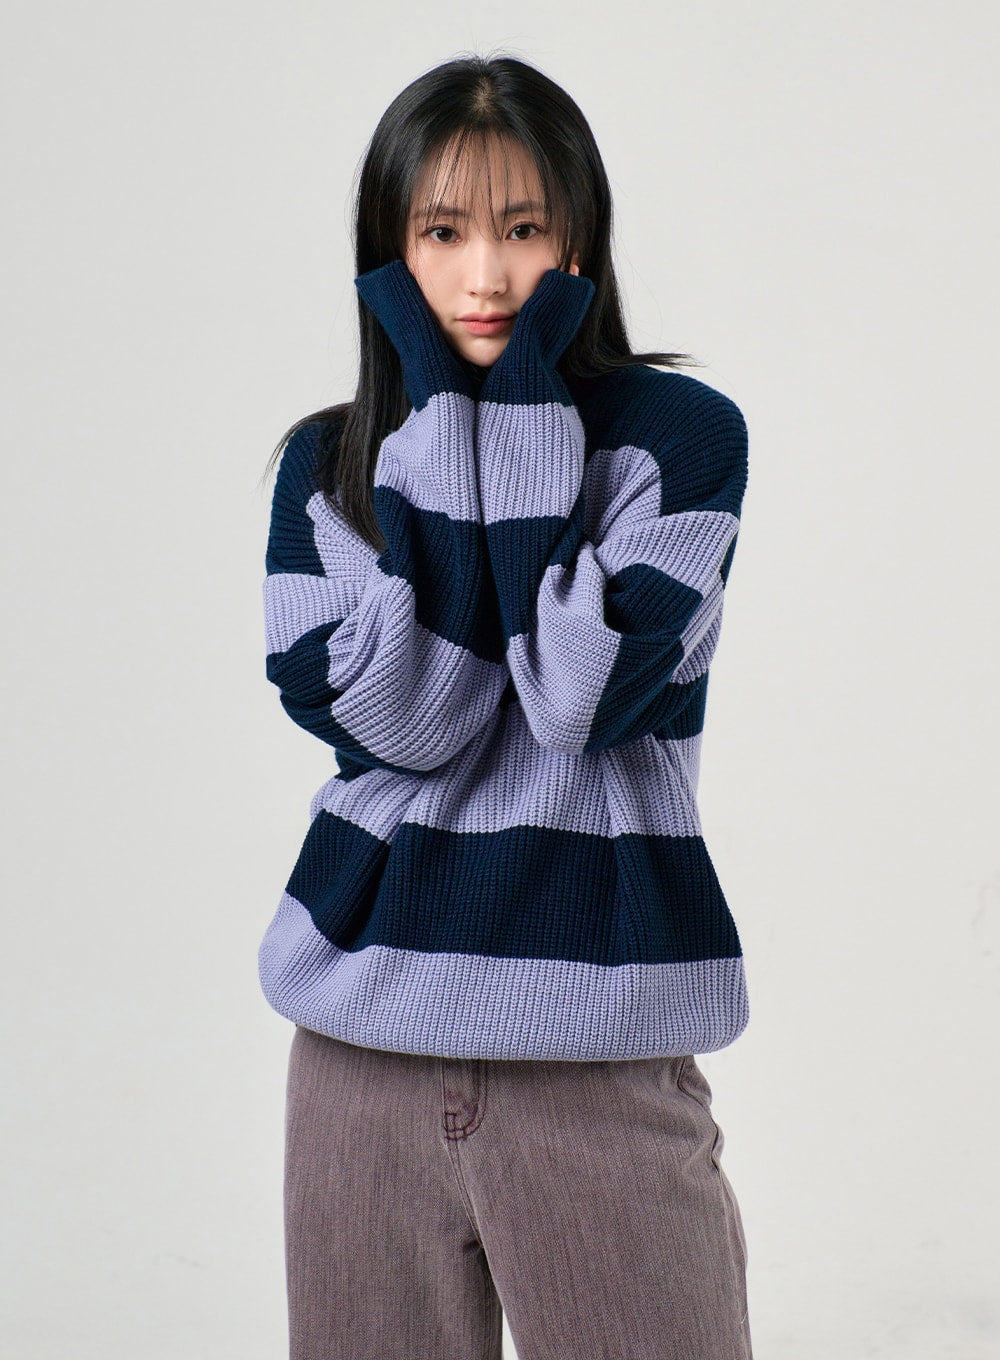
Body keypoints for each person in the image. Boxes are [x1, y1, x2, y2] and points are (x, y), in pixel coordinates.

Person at [259, 51, 753, 1360]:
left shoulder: (680, 439)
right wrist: (442, 417)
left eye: (523, 229)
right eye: (442, 233)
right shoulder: (327, 469)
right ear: (388, 250)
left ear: (578, 240)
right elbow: (413, 721)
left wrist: (520, 406)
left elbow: (578, 695)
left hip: (597, 1053)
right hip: (360, 1053)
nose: (485, 275)